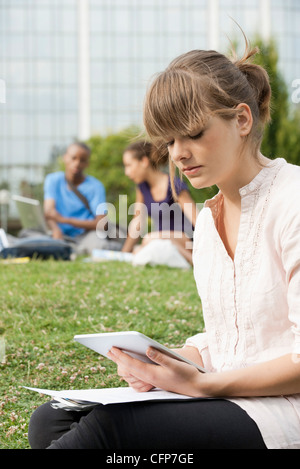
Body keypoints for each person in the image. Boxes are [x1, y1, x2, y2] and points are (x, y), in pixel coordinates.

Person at [28, 36, 300, 450]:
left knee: (109, 432)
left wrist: (202, 386)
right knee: (51, 420)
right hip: (227, 391)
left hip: (282, 407)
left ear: (242, 119)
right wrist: (164, 360)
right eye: (169, 141)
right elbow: (232, 339)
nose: (179, 155)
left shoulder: (292, 199)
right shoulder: (208, 222)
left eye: (191, 133)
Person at [122, 140, 198, 264]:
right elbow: (137, 223)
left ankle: (194, 261)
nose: (127, 172)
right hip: (159, 239)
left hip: (186, 239)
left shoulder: (174, 185)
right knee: (140, 249)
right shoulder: (142, 188)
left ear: (144, 162)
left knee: (149, 239)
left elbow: (197, 219)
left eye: (129, 165)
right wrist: (124, 254)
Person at [43, 142, 118, 254]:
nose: (77, 163)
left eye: (82, 160)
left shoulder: (95, 186)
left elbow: (101, 223)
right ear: (65, 158)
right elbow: (49, 212)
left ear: (87, 163)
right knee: (29, 236)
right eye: (73, 158)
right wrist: (56, 230)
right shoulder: (53, 180)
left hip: (86, 235)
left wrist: (65, 220)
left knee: (100, 247)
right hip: (58, 234)